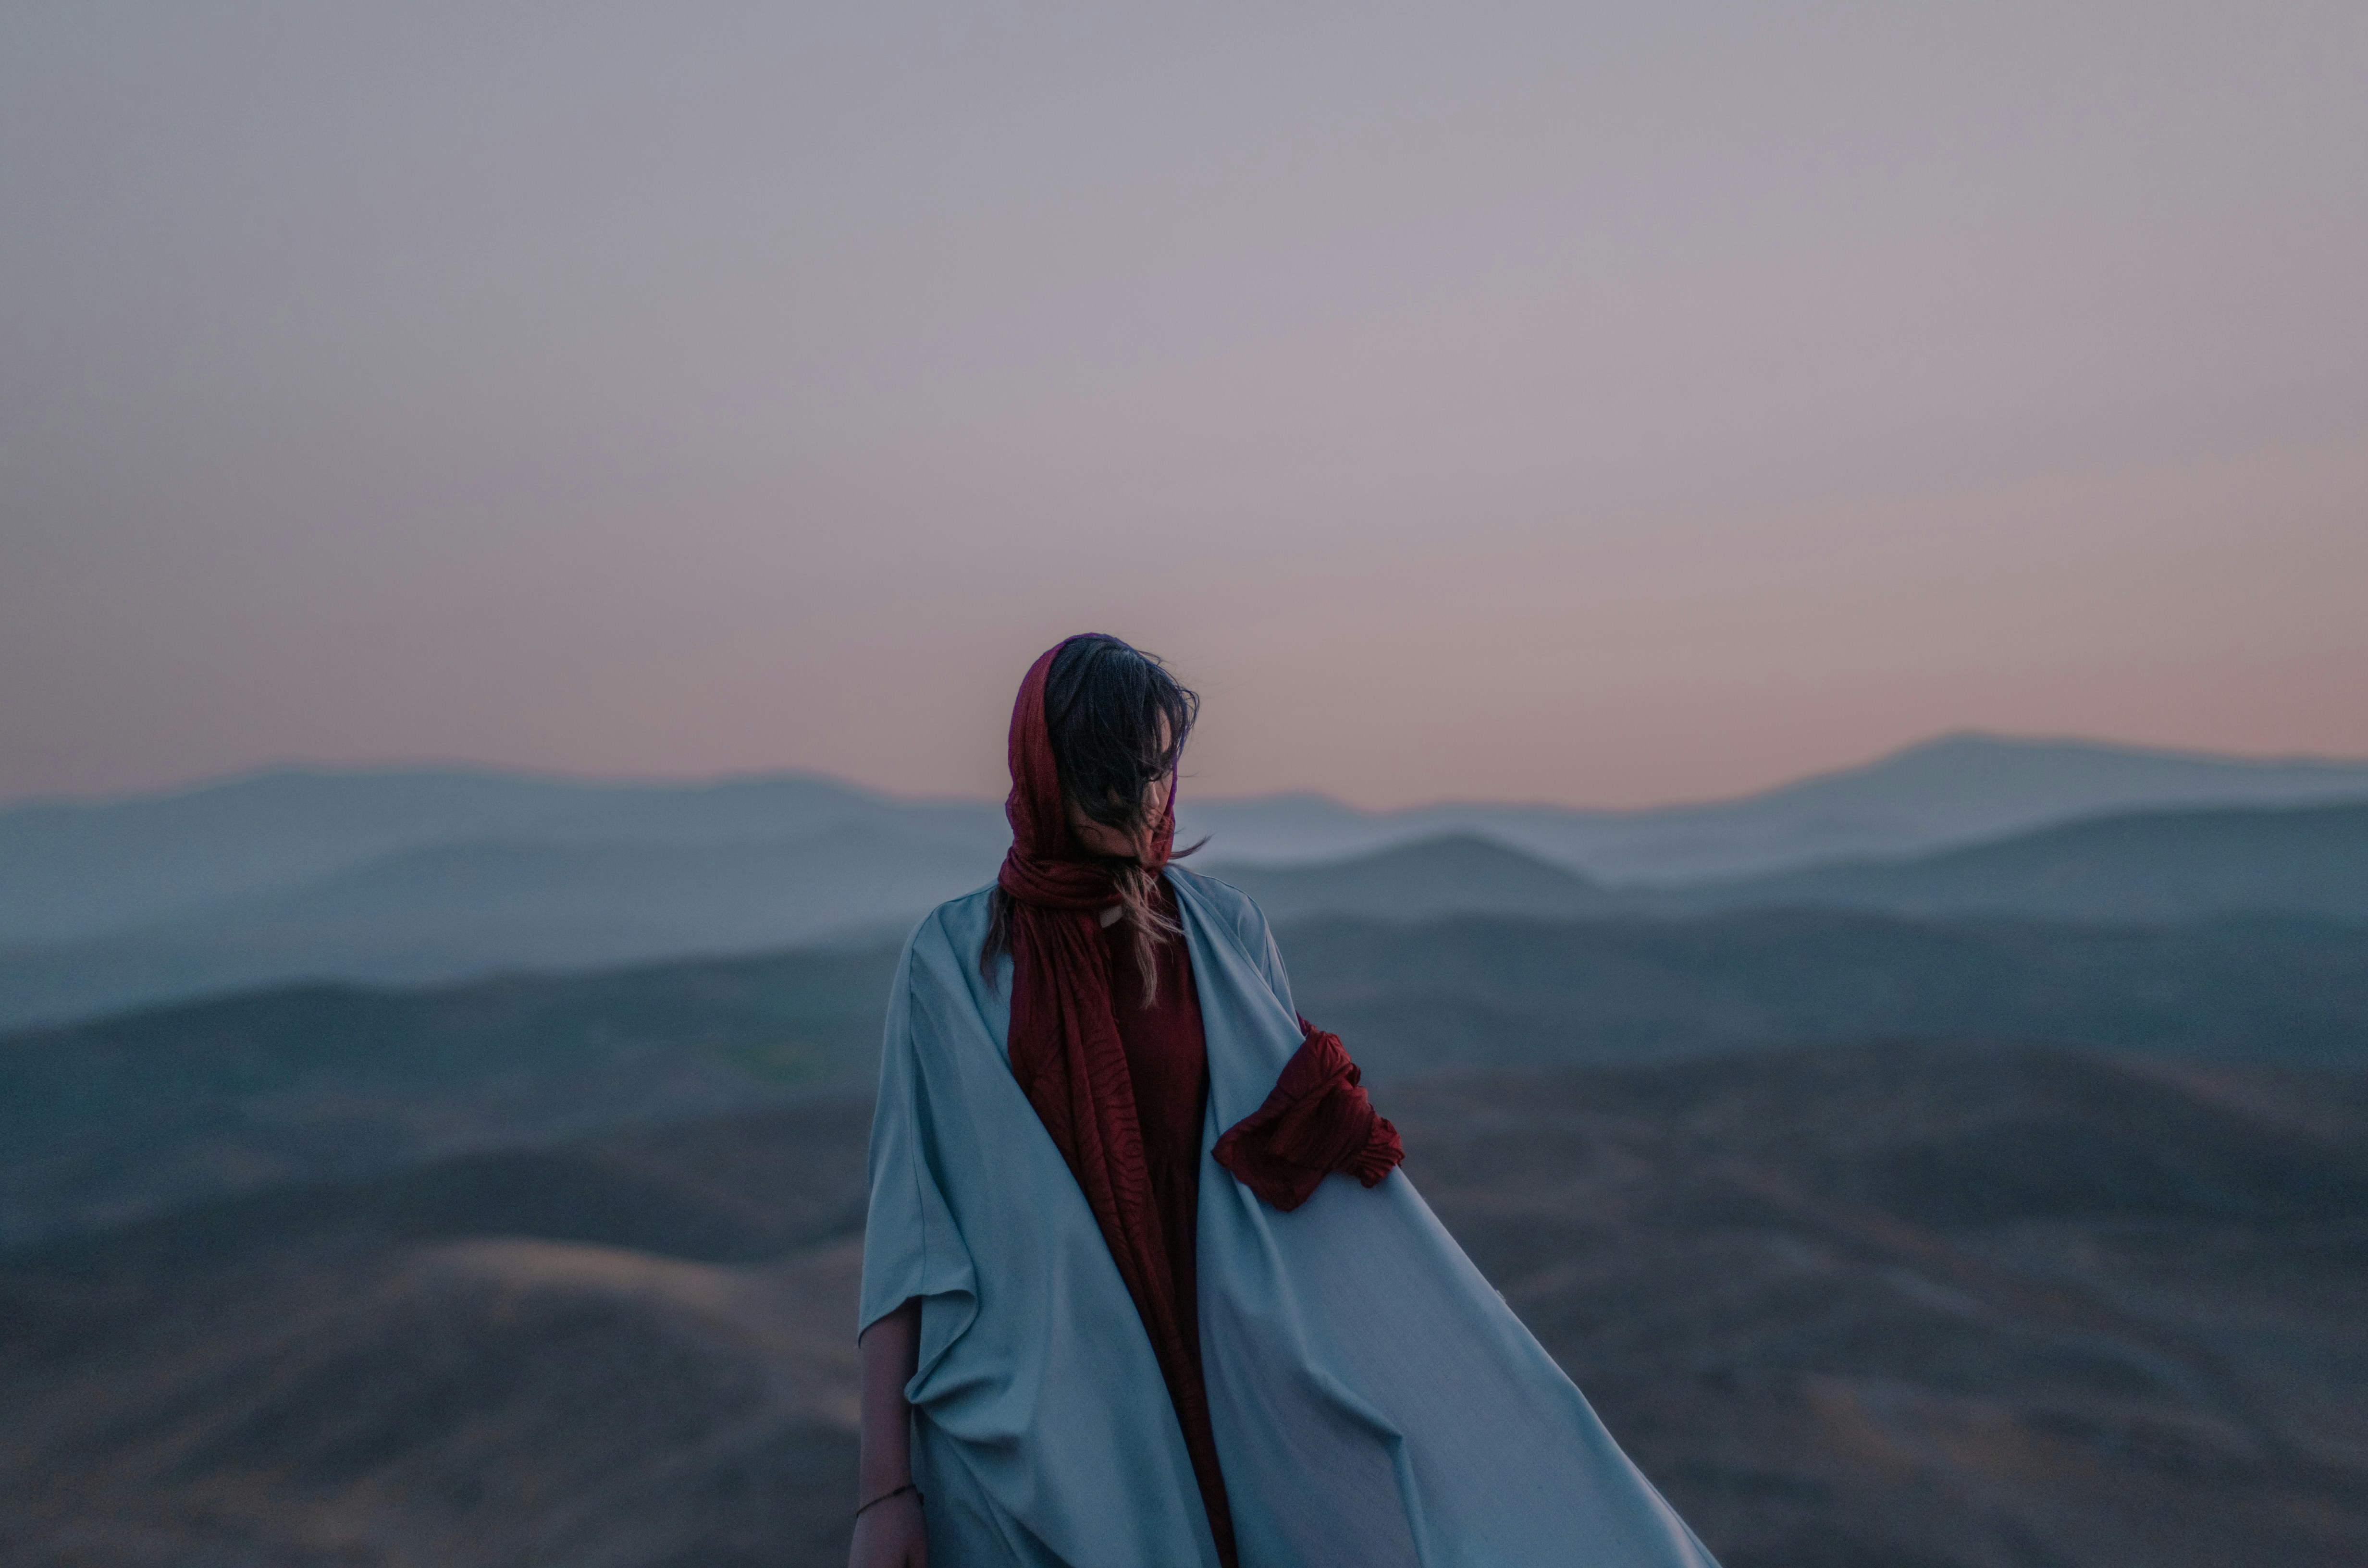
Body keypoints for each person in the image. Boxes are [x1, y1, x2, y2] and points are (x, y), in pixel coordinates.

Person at [851, 635, 1718, 1568]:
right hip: (1019, 1440)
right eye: (1116, 765)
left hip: (1229, 1396)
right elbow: (910, 1237)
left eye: (1157, 764)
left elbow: (1290, 1177)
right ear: (1049, 766)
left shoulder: (1222, 933)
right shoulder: (950, 963)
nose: (1143, 793)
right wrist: (884, 1495)